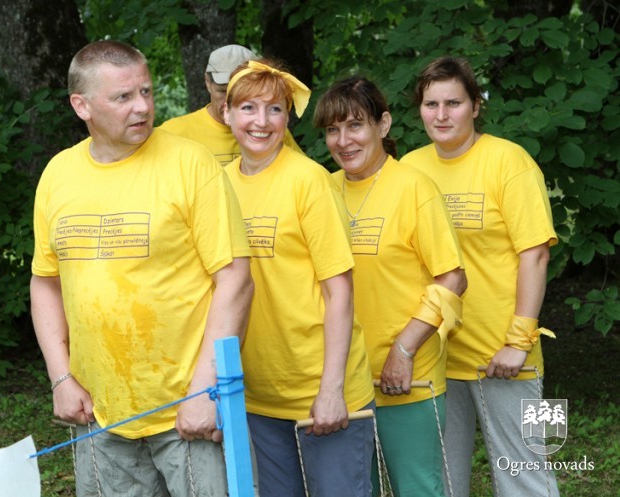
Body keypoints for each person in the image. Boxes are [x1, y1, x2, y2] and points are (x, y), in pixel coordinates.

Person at [30, 40, 255, 497]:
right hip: (99, 413)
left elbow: (235, 278)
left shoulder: (191, 163)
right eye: (123, 97)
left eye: (146, 92)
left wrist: (205, 389)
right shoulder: (57, 174)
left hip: (188, 410)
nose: (142, 107)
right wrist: (61, 378)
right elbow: (45, 282)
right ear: (81, 106)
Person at [402, 56, 559, 497]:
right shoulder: (409, 167)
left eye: (453, 103)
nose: (441, 114)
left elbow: (536, 255)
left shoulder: (510, 161)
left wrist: (519, 340)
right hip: (435, 357)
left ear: (475, 105)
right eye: (431, 104)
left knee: (526, 476)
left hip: (505, 357)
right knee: (441, 482)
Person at [223, 59, 376, 497]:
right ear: (227, 114)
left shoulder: (309, 181)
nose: (261, 121)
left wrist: (331, 390)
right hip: (256, 394)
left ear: (287, 118)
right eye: (248, 108)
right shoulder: (217, 185)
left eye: (275, 109)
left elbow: (339, 291)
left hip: (321, 391)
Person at [313, 77, 467, 497]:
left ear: (383, 124)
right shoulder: (322, 189)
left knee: (416, 489)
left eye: (355, 125)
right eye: (332, 129)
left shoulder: (414, 187)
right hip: (343, 380)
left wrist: (404, 349)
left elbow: (453, 277)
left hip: (406, 379)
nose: (343, 140)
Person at [160, 44, 302, 165]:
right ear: (208, 82)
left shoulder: (271, 132)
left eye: (243, 95)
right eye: (223, 91)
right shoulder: (174, 133)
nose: (230, 101)